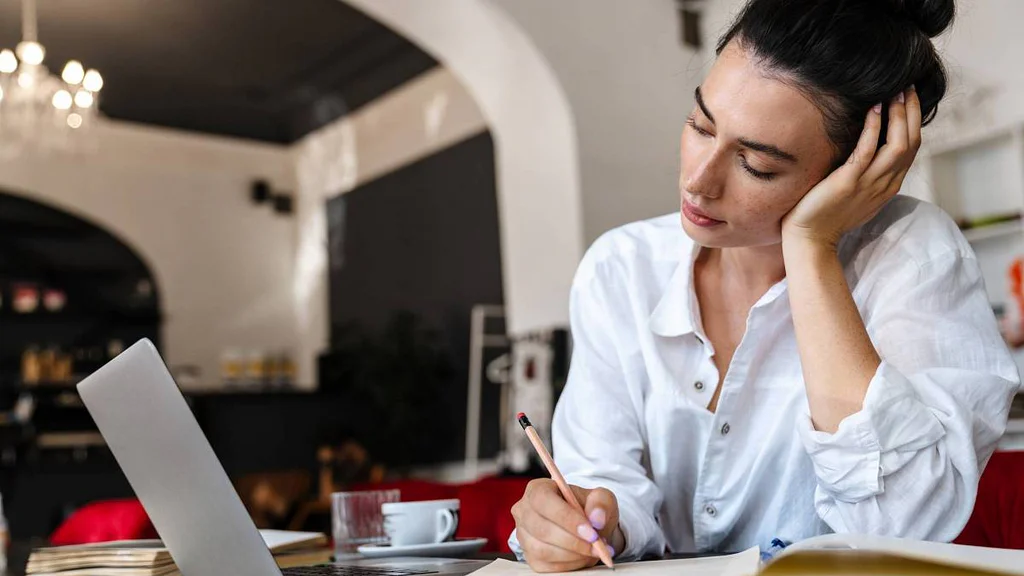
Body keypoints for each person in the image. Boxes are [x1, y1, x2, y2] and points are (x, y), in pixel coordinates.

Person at [509, 0, 1021, 571]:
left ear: (860, 167)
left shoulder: (912, 254)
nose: (699, 182)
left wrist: (811, 248)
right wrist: (585, 518)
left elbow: (899, 524)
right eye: (701, 126)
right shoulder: (620, 269)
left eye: (756, 164)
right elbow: (606, 482)